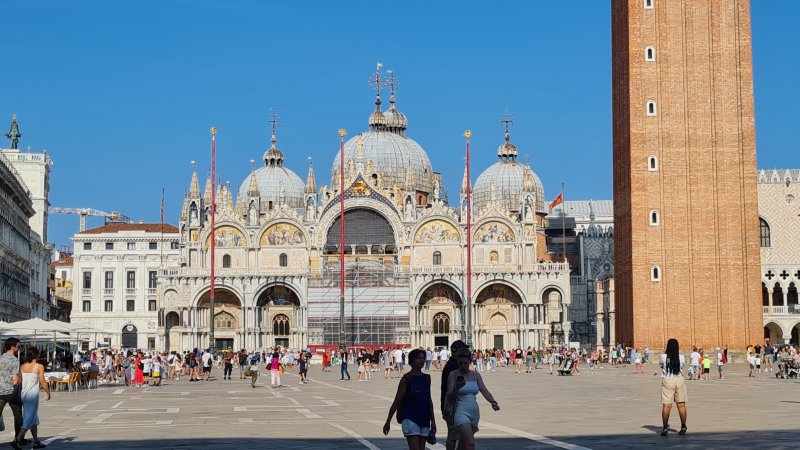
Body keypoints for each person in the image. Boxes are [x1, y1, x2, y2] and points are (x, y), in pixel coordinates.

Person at [446, 347, 500, 450]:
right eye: (460, 363)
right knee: (470, 444)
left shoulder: (476, 375)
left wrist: (493, 401)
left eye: (465, 363)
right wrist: (457, 387)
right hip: (460, 412)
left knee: (464, 445)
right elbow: (450, 397)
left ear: (470, 362)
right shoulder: (453, 375)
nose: (463, 366)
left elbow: (484, 390)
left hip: (474, 412)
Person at [383, 349, 436, 450]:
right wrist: (388, 421)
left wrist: (433, 421)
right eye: (418, 358)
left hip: (424, 419)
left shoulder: (427, 378)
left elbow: (429, 400)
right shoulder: (406, 379)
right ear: (412, 360)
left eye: (423, 358)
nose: (422, 360)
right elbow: (397, 400)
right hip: (410, 418)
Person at [11, 348, 50, 450]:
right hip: (32, 396)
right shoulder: (39, 366)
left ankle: (36, 441)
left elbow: (19, 381)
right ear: (36, 355)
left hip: (24, 394)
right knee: (28, 419)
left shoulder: (22, 366)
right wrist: (48, 393)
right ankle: (17, 440)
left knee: (33, 417)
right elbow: (43, 381)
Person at [440, 340, 466, 450]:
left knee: (457, 435)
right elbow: (454, 388)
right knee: (453, 436)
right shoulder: (453, 366)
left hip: (454, 404)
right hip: (453, 405)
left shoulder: (453, 364)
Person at [659, 338, 687, 437]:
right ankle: (683, 427)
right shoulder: (681, 357)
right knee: (681, 405)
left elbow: (661, 366)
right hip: (679, 379)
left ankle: (665, 428)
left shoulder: (663, 356)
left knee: (666, 405)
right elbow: (682, 367)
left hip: (667, 380)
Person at [0, 338, 23, 444]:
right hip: (10, 391)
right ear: (13, 347)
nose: (19, 348)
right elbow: (15, 379)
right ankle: (18, 438)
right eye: (18, 346)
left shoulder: (0, 358)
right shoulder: (14, 360)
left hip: (0, 390)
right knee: (17, 413)